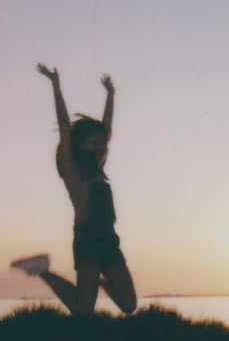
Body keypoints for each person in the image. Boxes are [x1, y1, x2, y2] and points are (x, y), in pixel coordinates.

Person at [10, 64, 137, 316]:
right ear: (79, 144)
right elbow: (64, 124)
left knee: (129, 305)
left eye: (102, 144)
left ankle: (98, 282)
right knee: (82, 310)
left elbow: (106, 129)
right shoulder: (72, 172)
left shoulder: (99, 169)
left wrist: (111, 95)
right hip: (87, 239)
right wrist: (55, 83)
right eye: (94, 142)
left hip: (108, 240)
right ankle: (41, 269)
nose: (101, 147)